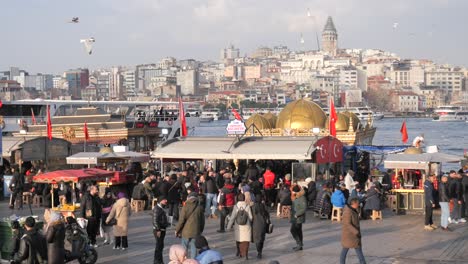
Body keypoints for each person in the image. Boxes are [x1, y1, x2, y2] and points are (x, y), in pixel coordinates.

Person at [175, 192, 205, 259]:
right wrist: (200, 230)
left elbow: (181, 220)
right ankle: (193, 262)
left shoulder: (185, 207)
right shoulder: (200, 207)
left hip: (185, 232)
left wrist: (177, 230)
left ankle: (184, 260)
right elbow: (202, 221)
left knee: (184, 248)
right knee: (194, 248)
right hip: (196, 231)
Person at [227, 193, 253, 260]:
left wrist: (228, 227)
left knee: (239, 239)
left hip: (238, 226)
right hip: (246, 226)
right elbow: (251, 217)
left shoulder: (236, 206)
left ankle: (239, 252)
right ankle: (246, 254)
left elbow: (232, 217)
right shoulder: (247, 206)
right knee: (246, 240)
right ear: (244, 198)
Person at [340, 198, 367, 264]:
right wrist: (356, 232)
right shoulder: (348, 211)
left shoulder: (353, 210)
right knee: (345, 250)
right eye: (357, 203)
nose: (358, 205)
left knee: (358, 249)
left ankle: (363, 262)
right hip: (349, 235)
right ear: (354, 204)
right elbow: (347, 224)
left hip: (354, 235)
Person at [252, 194, 269, 259]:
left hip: (256, 225)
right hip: (263, 225)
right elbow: (268, 215)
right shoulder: (264, 206)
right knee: (262, 239)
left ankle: (258, 251)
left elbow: (251, 217)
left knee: (257, 239)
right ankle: (260, 251)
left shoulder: (253, 207)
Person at [153, 196, 169, 264]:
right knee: (159, 246)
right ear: (160, 201)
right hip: (159, 230)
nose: (166, 201)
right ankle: (157, 261)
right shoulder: (157, 209)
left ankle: (159, 260)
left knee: (160, 246)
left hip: (162, 229)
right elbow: (155, 220)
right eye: (164, 200)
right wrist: (158, 229)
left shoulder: (161, 208)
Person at [290, 185, 306, 251]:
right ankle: (299, 245)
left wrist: (297, 214)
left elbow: (303, 208)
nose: (292, 192)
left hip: (298, 217)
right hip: (294, 217)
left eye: (293, 191)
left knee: (293, 230)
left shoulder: (302, 198)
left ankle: (299, 244)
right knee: (299, 231)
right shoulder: (295, 196)